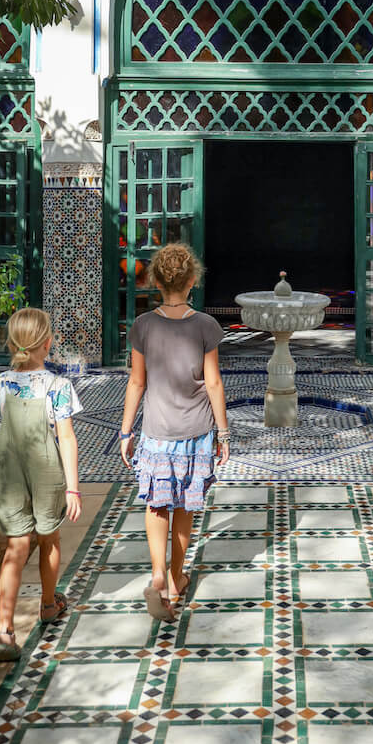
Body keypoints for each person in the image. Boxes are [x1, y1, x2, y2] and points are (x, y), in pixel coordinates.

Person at [119, 243, 229, 620]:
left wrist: (124, 432)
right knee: (184, 504)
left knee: (156, 503)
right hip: (195, 433)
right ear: (193, 280)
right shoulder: (206, 326)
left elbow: (136, 383)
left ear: (155, 280)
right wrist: (224, 434)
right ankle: (176, 575)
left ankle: (156, 575)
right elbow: (213, 384)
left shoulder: (143, 325)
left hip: (155, 432)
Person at [0, 307, 82, 662]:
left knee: (15, 548)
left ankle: (4, 630)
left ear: (13, 344)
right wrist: (73, 488)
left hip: (12, 472)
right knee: (50, 539)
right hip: (47, 473)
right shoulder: (58, 386)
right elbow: (67, 438)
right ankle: (47, 603)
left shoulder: (1, 383)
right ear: (48, 343)